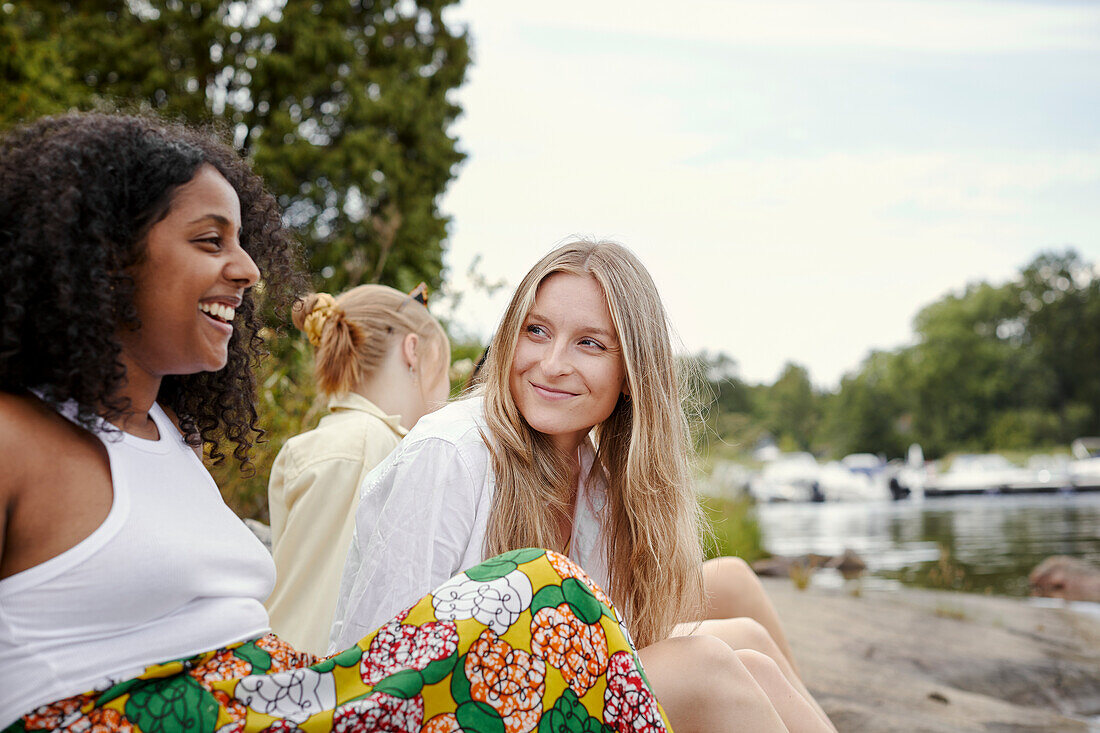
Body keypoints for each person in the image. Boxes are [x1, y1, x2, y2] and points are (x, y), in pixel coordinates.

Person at [0, 114, 673, 732]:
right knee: (543, 591)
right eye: (211, 241)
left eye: (242, 241)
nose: (247, 268)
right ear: (106, 257)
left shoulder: (169, 438)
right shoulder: (18, 436)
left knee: (576, 624)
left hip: (281, 700)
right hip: (197, 713)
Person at [332, 240, 837, 732]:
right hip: (445, 714)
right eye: (536, 331)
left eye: (589, 343)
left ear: (631, 376)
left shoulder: (595, 478)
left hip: (532, 700)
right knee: (706, 667)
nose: (551, 364)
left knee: (752, 652)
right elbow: (378, 674)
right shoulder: (451, 453)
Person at [266, 283, 451, 655]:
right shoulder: (373, 450)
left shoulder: (329, 440)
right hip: (319, 693)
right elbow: (330, 611)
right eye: (444, 369)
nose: (447, 389)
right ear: (412, 351)